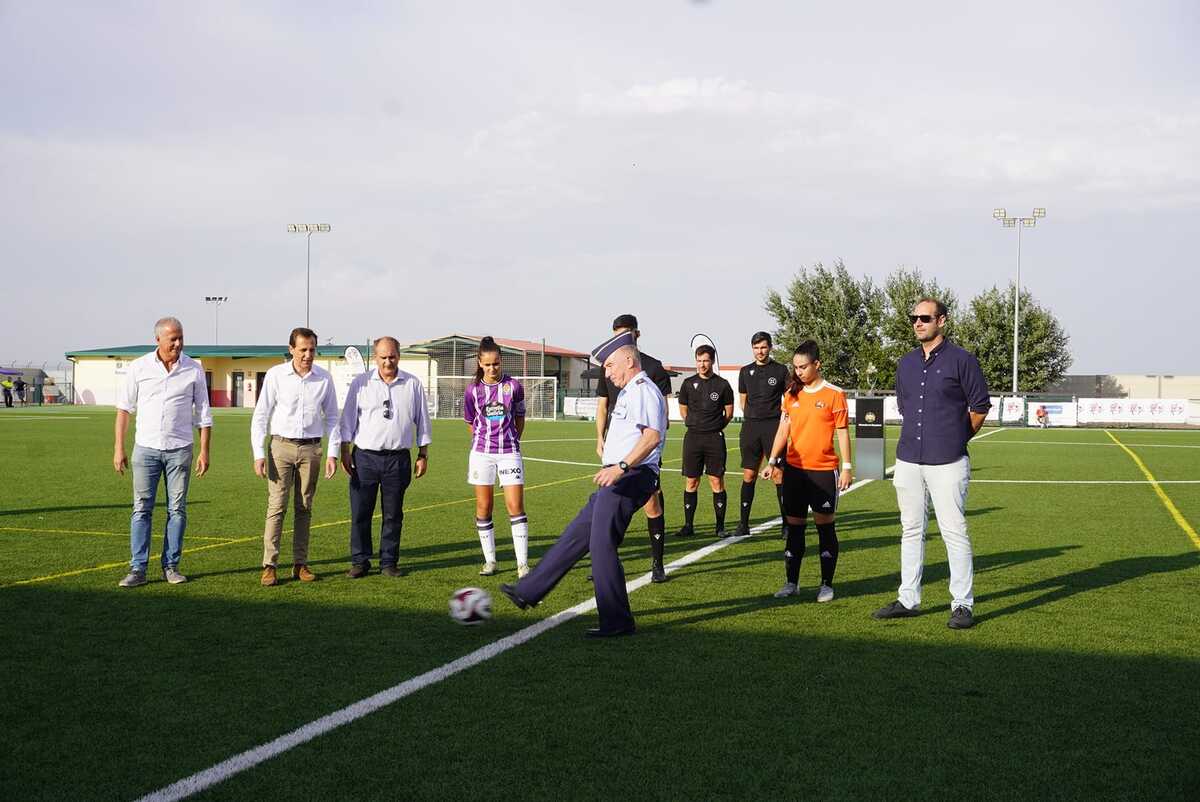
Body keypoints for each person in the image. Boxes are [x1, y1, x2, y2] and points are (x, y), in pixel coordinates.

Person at [500, 331, 666, 637]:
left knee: (601, 543)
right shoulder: (630, 391)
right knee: (578, 534)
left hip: (630, 476)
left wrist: (621, 466)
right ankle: (528, 590)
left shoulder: (643, 390)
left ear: (629, 360)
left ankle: (617, 622)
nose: (607, 371)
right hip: (618, 475)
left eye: (610, 365)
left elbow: (652, 436)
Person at [873, 298, 991, 629]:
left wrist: (957, 438)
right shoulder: (906, 363)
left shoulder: (962, 360)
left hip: (948, 460)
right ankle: (908, 598)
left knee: (954, 531)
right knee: (911, 530)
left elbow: (980, 406)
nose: (917, 323)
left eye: (924, 317)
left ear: (942, 320)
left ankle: (962, 604)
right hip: (909, 458)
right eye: (914, 318)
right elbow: (905, 406)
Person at [113, 317, 212, 587]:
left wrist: (204, 451)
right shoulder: (139, 368)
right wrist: (118, 447)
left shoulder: (193, 369)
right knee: (141, 509)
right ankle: (138, 569)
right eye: (173, 339)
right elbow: (124, 409)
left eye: (181, 338)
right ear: (158, 339)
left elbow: (203, 413)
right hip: (145, 450)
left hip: (180, 450)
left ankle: (171, 566)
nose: (178, 344)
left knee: (177, 509)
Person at [250, 327, 341, 587]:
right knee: (276, 506)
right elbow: (261, 415)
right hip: (280, 448)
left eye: (312, 349)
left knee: (304, 508)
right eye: (302, 349)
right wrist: (259, 453)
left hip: (311, 449)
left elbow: (333, 417)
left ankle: (300, 564)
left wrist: (333, 453)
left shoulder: (324, 379)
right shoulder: (276, 375)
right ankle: (270, 565)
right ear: (291, 349)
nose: (307, 355)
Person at [762, 340, 852, 601]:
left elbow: (843, 433)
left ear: (817, 364)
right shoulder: (791, 394)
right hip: (794, 472)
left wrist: (846, 467)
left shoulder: (834, 394)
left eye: (803, 366)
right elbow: (784, 429)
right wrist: (772, 461)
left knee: (825, 527)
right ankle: (792, 582)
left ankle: (826, 584)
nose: (798, 371)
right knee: (794, 527)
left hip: (823, 472)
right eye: (795, 367)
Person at [339, 336, 431, 578]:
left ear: (398, 356)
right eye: (383, 357)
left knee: (393, 514)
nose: (388, 362)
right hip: (365, 459)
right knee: (361, 512)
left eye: (392, 356)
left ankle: (389, 562)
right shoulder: (361, 384)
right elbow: (347, 419)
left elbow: (422, 421)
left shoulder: (412, 384)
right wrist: (344, 451)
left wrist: (423, 454)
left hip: (398, 459)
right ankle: (360, 561)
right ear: (375, 357)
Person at [594, 314, 673, 582]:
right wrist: (599, 437)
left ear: (636, 334)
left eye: (625, 333)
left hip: (643, 448)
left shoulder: (652, 367)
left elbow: (661, 409)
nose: (619, 338)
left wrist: (654, 444)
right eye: (615, 333)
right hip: (617, 444)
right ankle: (605, 561)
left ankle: (657, 563)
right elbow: (603, 404)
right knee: (610, 507)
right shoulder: (609, 366)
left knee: (652, 502)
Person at [463, 336, 531, 578]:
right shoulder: (473, 391)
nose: (492, 368)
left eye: (496, 364)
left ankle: (522, 564)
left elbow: (520, 417)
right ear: (480, 363)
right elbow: (471, 423)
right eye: (488, 364)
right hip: (481, 454)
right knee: (484, 506)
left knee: (515, 506)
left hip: (509, 453)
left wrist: (512, 439)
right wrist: (484, 442)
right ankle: (490, 561)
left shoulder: (513, 386)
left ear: (501, 362)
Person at [675, 344, 734, 538]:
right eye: (699, 361)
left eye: (706, 360)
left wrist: (714, 427)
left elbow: (729, 413)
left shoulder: (722, 385)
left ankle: (720, 527)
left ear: (712, 361)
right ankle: (688, 526)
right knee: (691, 481)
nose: (702, 364)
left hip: (714, 439)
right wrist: (693, 423)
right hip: (693, 438)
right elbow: (683, 409)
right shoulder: (687, 383)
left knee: (716, 481)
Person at [735, 331, 790, 537]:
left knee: (778, 474)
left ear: (770, 347)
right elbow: (743, 399)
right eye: (756, 348)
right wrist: (751, 415)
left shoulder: (780, 370)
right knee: (749, 474)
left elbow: (790, 396)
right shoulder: (745, 371)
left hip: (773, 427)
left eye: (764, 347)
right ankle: (743, 524)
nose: (760, 351)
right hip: (750, 427)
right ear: (752, 349)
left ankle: (786, 524)